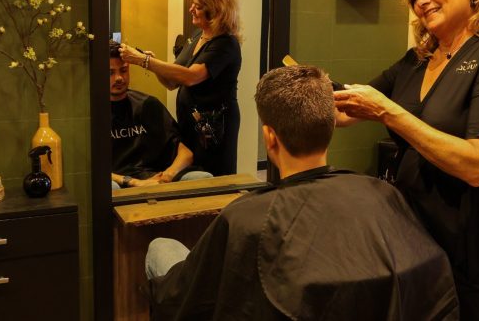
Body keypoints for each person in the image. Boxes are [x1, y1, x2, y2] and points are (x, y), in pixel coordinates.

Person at [143, 65, 459, 320]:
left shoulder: (243, 217)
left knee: (161, 248)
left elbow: (186, 299)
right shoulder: (382, 193)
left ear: (270, 138)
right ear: (331, 127)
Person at [334, 0, 479, 320]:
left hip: (473, 234)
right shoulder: (417, 60)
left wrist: (389, 113)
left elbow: (477, 165)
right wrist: (307, 88)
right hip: (415, 224)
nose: (421, 0)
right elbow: (346, 109)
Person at [119, 0, 242, 176]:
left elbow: (190, 77)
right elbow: (172, 82)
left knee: (214, 180)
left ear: (216, 10)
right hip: (190, 125)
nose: (191, 9)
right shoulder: (198, 36)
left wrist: (144, 61)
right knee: (191, 174)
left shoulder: (226, 44)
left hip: (214, 130)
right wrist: (149, 62)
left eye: (198, 6)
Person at [109, 41, 211, 189]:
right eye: (111, 73)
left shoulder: (148, 105)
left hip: (156, 178)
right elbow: (89, 168)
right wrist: (133, 182)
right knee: (111, 188)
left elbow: (186, 153)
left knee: (202, 178)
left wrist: (167, 175)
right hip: (121, 183)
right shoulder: (93, 115)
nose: (119, 78)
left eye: (123, 70)